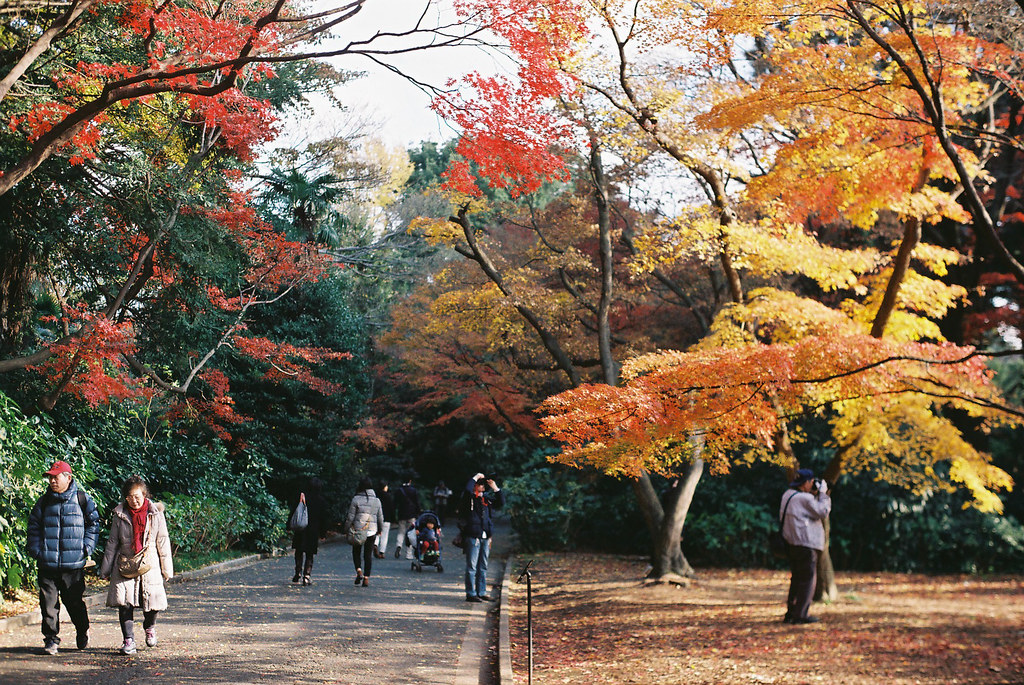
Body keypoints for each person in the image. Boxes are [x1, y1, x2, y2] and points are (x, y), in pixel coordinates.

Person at [26, 460, 100, 655]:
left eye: (55, 477)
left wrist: (86, 547)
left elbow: (94, 524)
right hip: (47, 563)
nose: (52, 481)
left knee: (74, 603)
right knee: (48, 604)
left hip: (72, 564)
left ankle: (82, 630)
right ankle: (51, 639)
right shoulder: (43, 502)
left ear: (68, 477)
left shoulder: (82, 499)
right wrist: (37, 551)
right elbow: (33, 527)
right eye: (50, 477)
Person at [97, 475, 174, 655]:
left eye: (137, 496)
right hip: (125, 563)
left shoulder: (155, 513)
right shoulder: (120, 514)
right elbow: (112, 543)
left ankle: (150, 627)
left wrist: (166, 569)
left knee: (152, 603)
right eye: (130, 496)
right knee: (125, 603)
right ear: (125, 497)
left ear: (145, 494)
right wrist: (106, 569)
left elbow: (163, 541)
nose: (134, 500)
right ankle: (128, 640)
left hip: (150, 563)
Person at [780, 468, 832, 625]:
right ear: (806, 483)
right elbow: (823, 511)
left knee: (796, 578)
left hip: (791, 543)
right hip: (805, 544)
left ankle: (792, 612)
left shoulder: (788, 495)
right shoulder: (804, 499)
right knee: (808, 579)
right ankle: (801, 614)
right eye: (811, 482)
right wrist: (823, 494)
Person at [458, 475, 504, 602]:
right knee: (472, 566)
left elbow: (501, 503)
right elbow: (467, 490)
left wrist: (495, 488)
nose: (482, 486)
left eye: (483, 484)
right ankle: (471, 593)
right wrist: (476, 477)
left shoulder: (486, 500)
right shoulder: (469, 499)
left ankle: (481, 591)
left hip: (485, 536)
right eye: (480, 484)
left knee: (483, 566)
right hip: (473, 535)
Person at [345, 477, 384, 587]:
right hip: (371, 530)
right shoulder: (377, 500)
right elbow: (380, 518)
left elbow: (350, 517)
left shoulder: (356, 499)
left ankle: (358, 570)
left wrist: (346, 529)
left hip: (358, 530)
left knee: (356, 551)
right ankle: (366, 577)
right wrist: (380, 530)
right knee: (368, 554)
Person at [291, 477, 326, 585]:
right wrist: (323, 533)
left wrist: (290, 526)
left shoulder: (301, 497)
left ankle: (298, 571)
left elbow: (294, 511)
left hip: (301, 528)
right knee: (310, 553)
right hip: (313, 530)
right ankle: (307, 575)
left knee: (299, 551)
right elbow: (323, 518)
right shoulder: (321, 500)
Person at [393, 477, 420, 560]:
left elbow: (395, 503)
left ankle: (399, 546)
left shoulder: (399, 490)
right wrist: (418, 513)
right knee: (411, 534)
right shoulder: (413, 490)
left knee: (401, 532)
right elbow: (417, 503)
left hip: (402, 514)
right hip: (411, 515)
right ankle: (409, 554)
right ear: (410, 481)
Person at [374, 481, 394, 559]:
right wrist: (393, 518)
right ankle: (382, 552)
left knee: (377, 533)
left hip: (376, 517)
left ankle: (375, 544)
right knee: (385, 535)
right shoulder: (388, 496)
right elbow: (391, 508)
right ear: (385, 487)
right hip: (386, 518)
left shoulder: (376, 496)